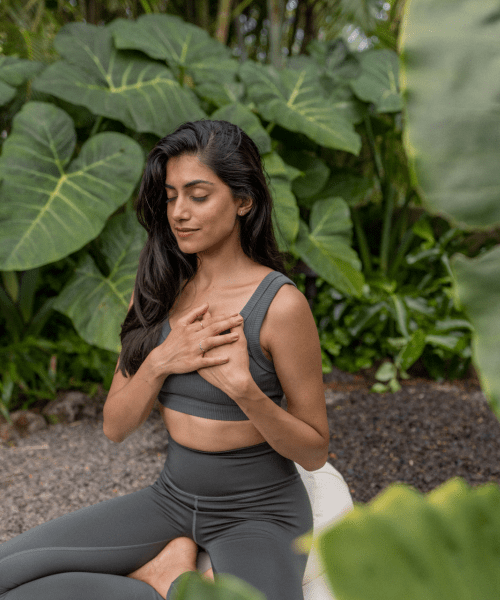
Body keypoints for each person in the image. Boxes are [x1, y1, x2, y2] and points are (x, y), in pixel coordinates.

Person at [0, 120, 329, 600]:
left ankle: (168, 579)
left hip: (259, 512)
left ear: (243, 200)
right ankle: (171, 570)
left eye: (198, 195)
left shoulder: (280, 306)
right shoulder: (158, 289)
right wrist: (161, 360)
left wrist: (245, 392)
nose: (179, 212)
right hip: (171, 499)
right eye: (172, 196)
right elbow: (115, 425)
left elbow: (315, 450)